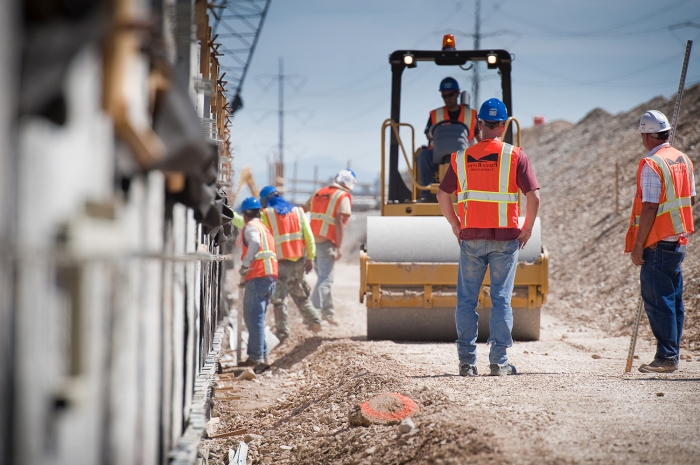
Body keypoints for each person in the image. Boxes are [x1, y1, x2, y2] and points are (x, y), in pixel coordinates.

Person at [437, 98, 540, 377]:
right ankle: (499, 362)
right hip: (506, 240)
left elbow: (442, 194)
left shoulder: (460, 157)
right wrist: (527, 228)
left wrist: (455, 225)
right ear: (504, 126)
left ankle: (467, 363)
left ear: (479, 124)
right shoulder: (515, 155)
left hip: (470, 238)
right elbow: (534, 196)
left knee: (466, 301)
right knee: (501, 300)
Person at [625, 110, 695, 374]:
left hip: (658, 241)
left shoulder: (652, 163)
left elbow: (650, 206)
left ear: (647, 135)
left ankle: (666, 358)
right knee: (674, 299)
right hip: (679, 240)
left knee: (659, 299)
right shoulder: (682, 159)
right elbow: (692, 199)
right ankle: (671, 355)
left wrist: (639, 244)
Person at [259, 185, 323, 341]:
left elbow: (261, 238)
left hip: (280, 264)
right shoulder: (298, 212)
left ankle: (283, 333)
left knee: (279, 300)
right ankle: (315, 322)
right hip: (299, 262)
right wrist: (310, 258)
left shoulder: (266, 214)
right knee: (300, 295)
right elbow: (309, 237)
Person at [304, 169, 356, 325]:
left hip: (312, 241)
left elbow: (302, 210)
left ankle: (328, 312)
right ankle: (311, 314)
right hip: (327, 242)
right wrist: (339, 247)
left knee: (322, 278)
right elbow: (339, 221)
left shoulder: (319, 192)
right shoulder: (342, 196)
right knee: (326, 279)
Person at [417, 77, 481, 201]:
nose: (447, 98)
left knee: (480, 160)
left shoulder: (471, 114)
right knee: (423, 155)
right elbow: (428, 133)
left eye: (450, 95)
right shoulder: (435, 114)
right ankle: (428, 194)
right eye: (444, 96)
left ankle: (474, 192)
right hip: (437, 152)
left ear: (457, 93)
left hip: (463, 153)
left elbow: (479, 137)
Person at [238, 196, 278, 369]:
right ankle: (261, 354)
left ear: (246, 214)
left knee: (253, 317)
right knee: (258, 317)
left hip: (258, 276)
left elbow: (254, 243)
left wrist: (245, 265)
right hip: (270, 277)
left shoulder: (251, 228)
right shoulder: (264, 227)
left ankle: (256, 358)